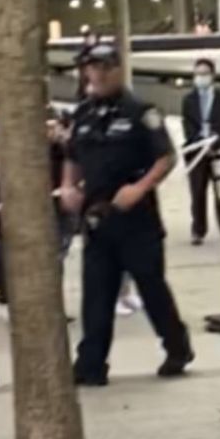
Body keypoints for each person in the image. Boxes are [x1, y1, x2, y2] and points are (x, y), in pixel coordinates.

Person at [60, 43, 194, 386]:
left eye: (106, 67)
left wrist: (141, 188)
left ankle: (177, 346)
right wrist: (69, 186)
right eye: (93, 68)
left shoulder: (140, 111)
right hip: (97, 218)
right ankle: (91, 364)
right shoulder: (83, 115)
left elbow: (166, 157)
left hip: (136, 220)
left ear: (118, 69)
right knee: (97, 295)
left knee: (151, 289)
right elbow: (72, 156)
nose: (99, 74)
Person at [181, 58, 220, 246]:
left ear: (213, 76)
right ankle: (198, 229)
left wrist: (215, 143)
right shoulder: (188, 101)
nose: (201, 77)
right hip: (197, 153)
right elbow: (187, 125)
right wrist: (200, 144)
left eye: (205, 73)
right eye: (198, 74)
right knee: (197, 193)